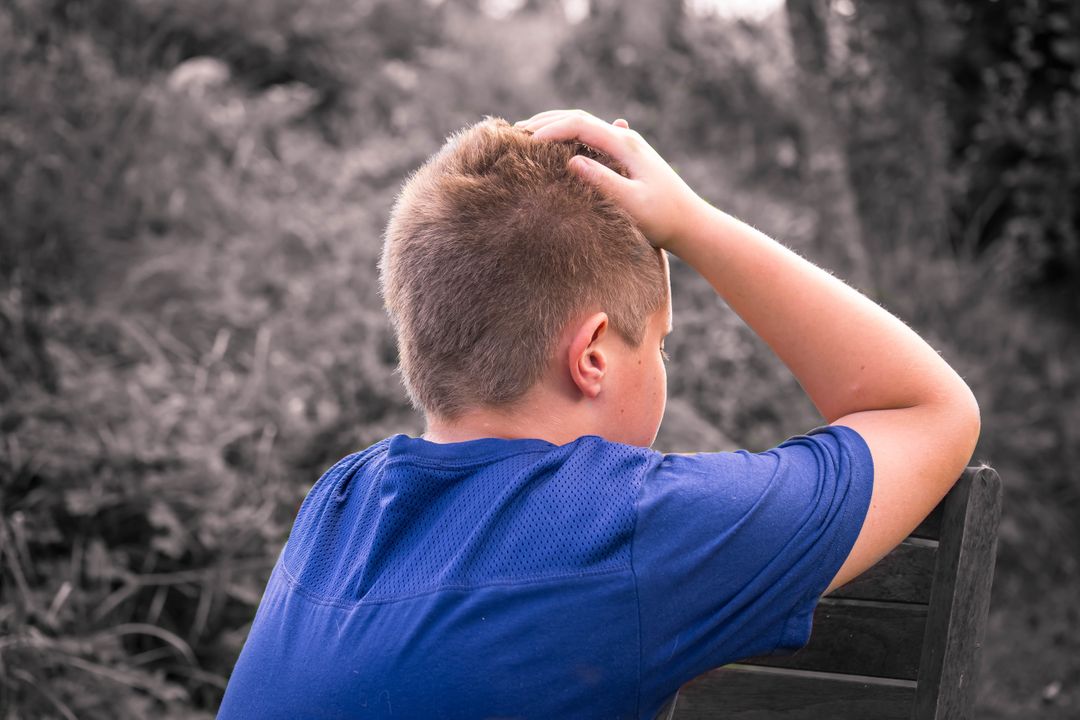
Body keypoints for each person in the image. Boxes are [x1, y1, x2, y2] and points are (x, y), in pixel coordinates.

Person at [217, 110, 980, 719]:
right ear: (592, 357)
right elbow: (929, 410)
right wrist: (695, 225)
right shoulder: (629, 530)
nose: (663, 366)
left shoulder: (339, 503)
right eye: (657, 344)